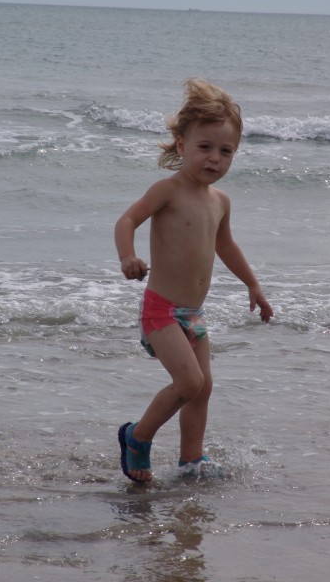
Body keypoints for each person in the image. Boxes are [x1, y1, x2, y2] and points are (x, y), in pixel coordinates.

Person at [115, 78, 273, 483]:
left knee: (202, 389)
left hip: (194, 314)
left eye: (226, 151)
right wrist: (128, 256)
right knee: (188, 382)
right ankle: (137, 437)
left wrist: (253, 285)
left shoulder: (220, 202)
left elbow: (226, 245)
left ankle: (191, 461)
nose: (214, 159)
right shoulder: (168, 190)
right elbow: (127, 220)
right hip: (161, 311)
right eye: (205, 147)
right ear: (182, 145)